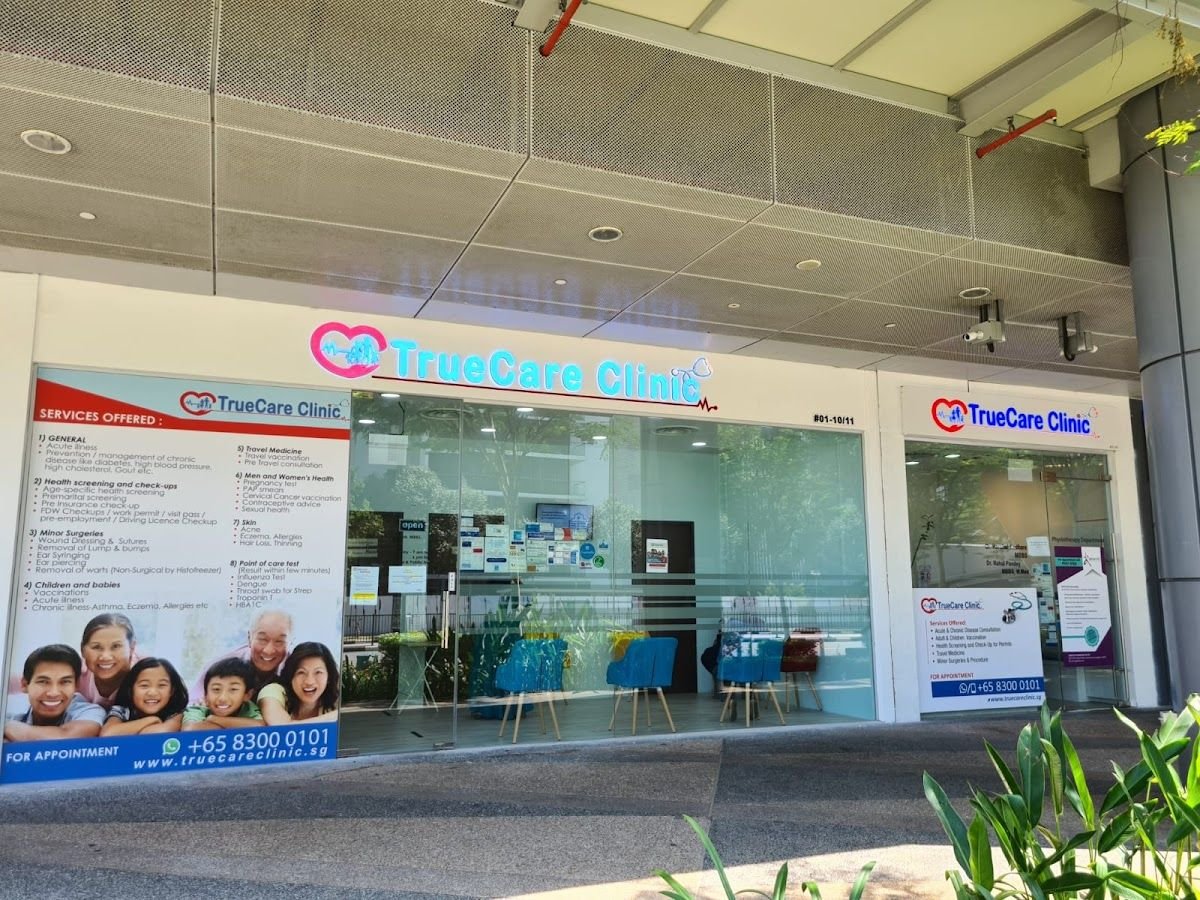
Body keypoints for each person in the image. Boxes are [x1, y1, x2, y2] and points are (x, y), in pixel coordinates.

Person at [3, 645, 105, 742]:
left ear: (76, 685)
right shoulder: (12, 716)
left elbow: (65, 738)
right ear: (24, 685)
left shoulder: (90, 712)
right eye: (43, 682)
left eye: (65, 682)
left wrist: (6, 726)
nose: (53, 693)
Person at [188, 609, 292, 704]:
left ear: (290, 642)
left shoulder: (295, 668)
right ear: (249, 638)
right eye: (262, 639)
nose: (268, 650)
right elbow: (192, 705)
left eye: (279, 641)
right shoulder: (220, 665)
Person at [101, 658, 188, 736]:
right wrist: (152, 720)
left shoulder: (177, 713)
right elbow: (108, 734)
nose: (152, 693)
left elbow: (159, 732)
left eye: (161, 685)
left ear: (172, 691)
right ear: (131, 690)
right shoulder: (122, 711)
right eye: (144, 685)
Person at [258, 642, 340, 725]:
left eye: (318, 672)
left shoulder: (335, 697)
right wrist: (335, 717)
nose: (309, 682)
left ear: (329, 677)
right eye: (301, 672)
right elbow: (282, 727)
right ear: (291, 675)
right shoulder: (273, 691)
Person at [182, 658, 264, 731]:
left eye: (233, 689)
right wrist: (236, 725)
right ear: (205, 695)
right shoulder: (197, 710)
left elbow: (259, 726)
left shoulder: (248, 708)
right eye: (216, 689)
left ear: (247, 695)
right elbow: (190, 729)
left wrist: (214, 719)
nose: (223, 698)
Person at [78, 612, 139, 709]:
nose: (105, 657)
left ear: (132, 647)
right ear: (82, 650)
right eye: (96, 647)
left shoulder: (150, 672)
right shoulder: (75, 672)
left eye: (116, 646)